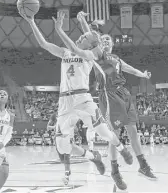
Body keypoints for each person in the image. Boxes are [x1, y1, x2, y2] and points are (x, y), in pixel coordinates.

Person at [19, 10, 132, 186]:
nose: (80, 38)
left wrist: (60, 30)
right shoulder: (65, 52)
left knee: (103, 132)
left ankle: (122, 148)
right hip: (64, 102)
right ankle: (92, 156)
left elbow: (77, 46)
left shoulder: (91, 54)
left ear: (91, 44)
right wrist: (32, 21)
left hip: (83, 98)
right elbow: (43, 44)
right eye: (80, 37)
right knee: (62, 146)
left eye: (83, 37)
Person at [77, 12, 157, 190]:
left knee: (133, 131)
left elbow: (131, 70)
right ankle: (115, 171)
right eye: (102, 40)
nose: (105, 42)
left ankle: (143, 166)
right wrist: (82, 20)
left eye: (108, 40)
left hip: (125, 94)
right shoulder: (97, 55)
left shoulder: (117, 59)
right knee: (115, 136)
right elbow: (90, 37)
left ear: (112, 44)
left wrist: (143, 75)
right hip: (109, 95)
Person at [0, 90, 15, 189]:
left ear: (7, 98)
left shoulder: (11, 115)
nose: (1, 95)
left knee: (5, 171)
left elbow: (9, 132)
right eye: (0, 94)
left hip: (1, 145)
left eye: (4, 94)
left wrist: (2, 143)